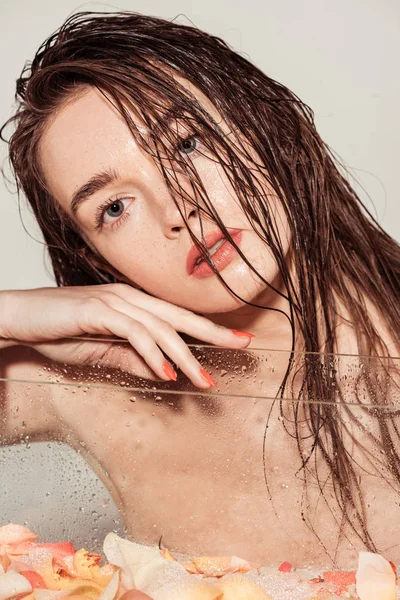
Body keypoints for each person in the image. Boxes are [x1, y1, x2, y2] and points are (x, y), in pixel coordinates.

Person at [0, 11, 399, 567]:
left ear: (265, 123)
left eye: (186, 144)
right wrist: (7, 315)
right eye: (113, 207)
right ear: (93, 254)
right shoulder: (79, 384)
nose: (178, 210)